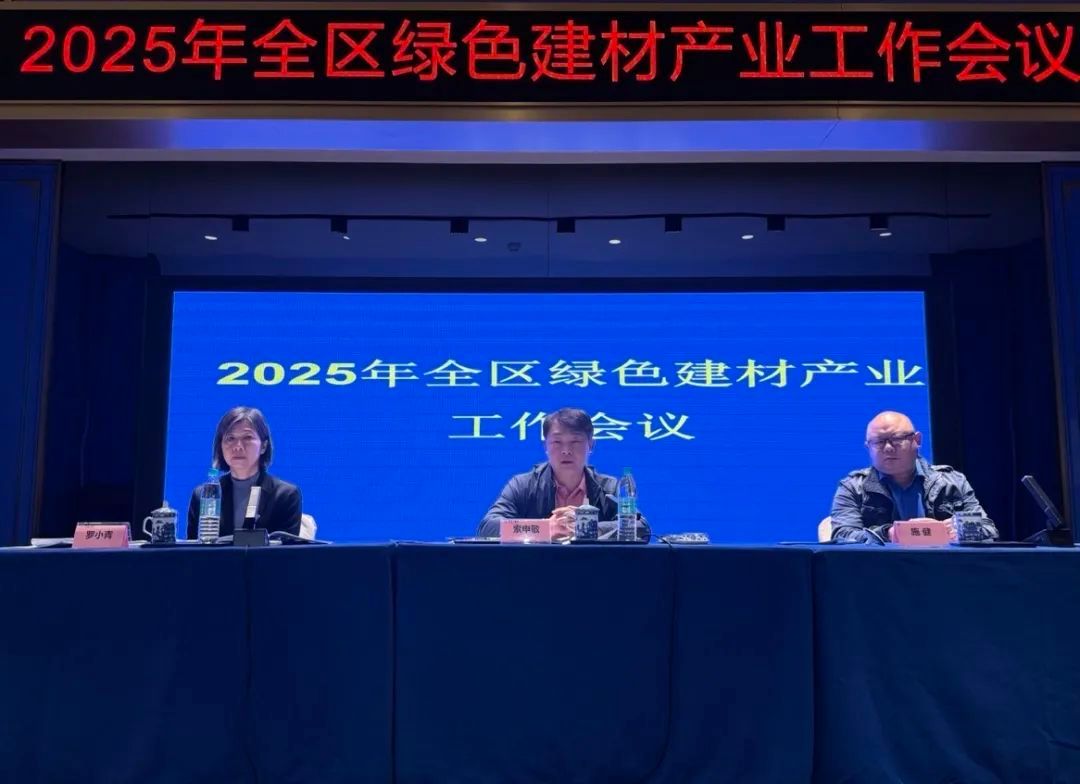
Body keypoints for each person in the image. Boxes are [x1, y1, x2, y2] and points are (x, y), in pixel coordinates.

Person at [478, 407, 647, 540]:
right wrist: (544, 529)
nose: (566, 450)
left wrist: (585, 527)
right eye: (557, 442)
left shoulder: (609, 487)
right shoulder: (523, 485)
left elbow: (641, 528)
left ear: (591, 444)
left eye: (575, 441)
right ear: (545, 446)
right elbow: (487, 527)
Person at [830, 410, 997, 544]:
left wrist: (961, 529)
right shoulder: (853, 487)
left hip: (945, 567)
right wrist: (889, 534)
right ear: (868, 447)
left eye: (896, 439)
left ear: (917, 440)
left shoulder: (952, 481)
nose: (888, 448)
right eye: (879, 442)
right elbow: (843, 535)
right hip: (881, 569)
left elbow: (989, 529)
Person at [186, 406, 302, 539]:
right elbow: (193, 548)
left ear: (263, 446)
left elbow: (287, 550)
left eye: (247, 438)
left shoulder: (285, 495)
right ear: (220, 445)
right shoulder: (203, 495)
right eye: (230, 438)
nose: (238, 446)